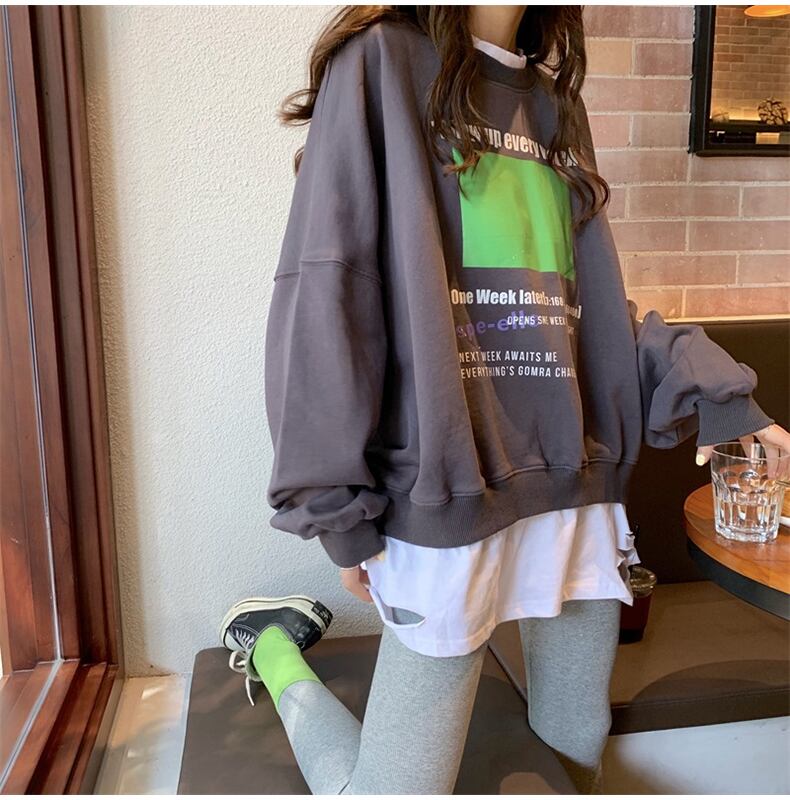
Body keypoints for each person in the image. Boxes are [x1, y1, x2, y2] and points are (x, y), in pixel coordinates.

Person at [219, 6, 790, 795]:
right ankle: (275, 648)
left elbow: (583, 312)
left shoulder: (556, 102)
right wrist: (338, 513)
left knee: (575, 745)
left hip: (574, 485)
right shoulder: (382, 64)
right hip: (446, 494)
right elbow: (328, 293)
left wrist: (720, 393)